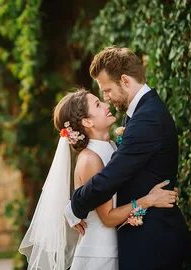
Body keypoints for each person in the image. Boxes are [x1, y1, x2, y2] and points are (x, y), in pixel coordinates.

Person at [19, 89, 179, 270]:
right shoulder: (90, 159)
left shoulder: (111, 146)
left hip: (118, 248)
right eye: (97, 104)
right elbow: (109, 218)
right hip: (100, 255)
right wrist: (149, 200)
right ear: (87, 121)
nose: (106, 104)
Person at [64, 47, 191, 269]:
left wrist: (73, 207)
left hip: (153, 243)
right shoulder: (138, 114)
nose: (106, 98)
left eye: (107, 90)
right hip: (142, 239)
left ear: (124, 80)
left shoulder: (147, 119)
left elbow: (109, 178)